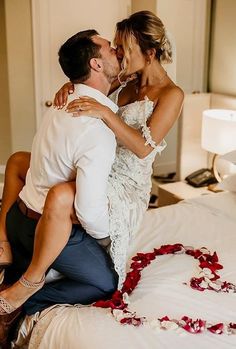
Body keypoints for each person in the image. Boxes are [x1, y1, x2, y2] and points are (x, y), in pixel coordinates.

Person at [0, 10, 184, 337]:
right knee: (17, 162)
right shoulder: (126, 79)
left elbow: (144, 148)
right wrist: (68, 86)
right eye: (115, 46)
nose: (119, 54)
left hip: (126, 181)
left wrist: (105, 113)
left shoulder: (172, 95)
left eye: (124, 48)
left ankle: (33, 281)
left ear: (150, 53)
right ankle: (10, 243)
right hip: (100, 165)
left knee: (62, 195)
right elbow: (91, 77)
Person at [0, 29, 120, 345]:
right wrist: (106, 239)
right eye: (110, 48)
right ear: (96, 64)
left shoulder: (62, 102)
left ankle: (12, 279)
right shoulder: (97, 130)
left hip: (18, 219)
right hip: (49, 232)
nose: (116, 49)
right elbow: (88, 208)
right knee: (104, 282)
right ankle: (18, 304)